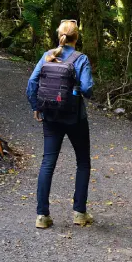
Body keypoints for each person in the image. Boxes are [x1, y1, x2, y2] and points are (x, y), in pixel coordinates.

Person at [26, 19, 94, 229]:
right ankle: (79, 213)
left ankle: (42, 216)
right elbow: (88, 89)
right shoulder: (80, 59)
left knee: (48, 163)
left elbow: (32, 83)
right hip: (75, 118)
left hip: (51, 117)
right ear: (76, 37)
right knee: (82, 162)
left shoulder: (48, 56)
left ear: (60, 36)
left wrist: (36, 105)